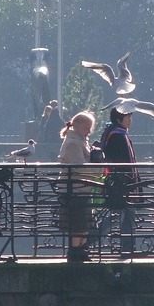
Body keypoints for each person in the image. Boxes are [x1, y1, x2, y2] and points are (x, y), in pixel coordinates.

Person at [97, 107, 139, 257]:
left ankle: (127, 247)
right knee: (120, 216)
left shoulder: (116, 133)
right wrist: (130, 181)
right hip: (122, 184)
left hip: (122, 183)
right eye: (128, 117)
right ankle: (90, 240)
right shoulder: (117, 136)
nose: (131, 120)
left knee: (123, 216)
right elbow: (122, 161)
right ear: (118, 119)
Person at [57, 111, 97, 262]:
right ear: (80, 127)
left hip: (82, 188)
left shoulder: (80, 141)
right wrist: (99, 169)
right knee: (78, 224)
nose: (89, 131)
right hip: (74, 190)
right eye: (88, 128)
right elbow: (80, 167)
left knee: (84, 223)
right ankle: (75, 252)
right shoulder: (73, 143)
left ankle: (81, 250)